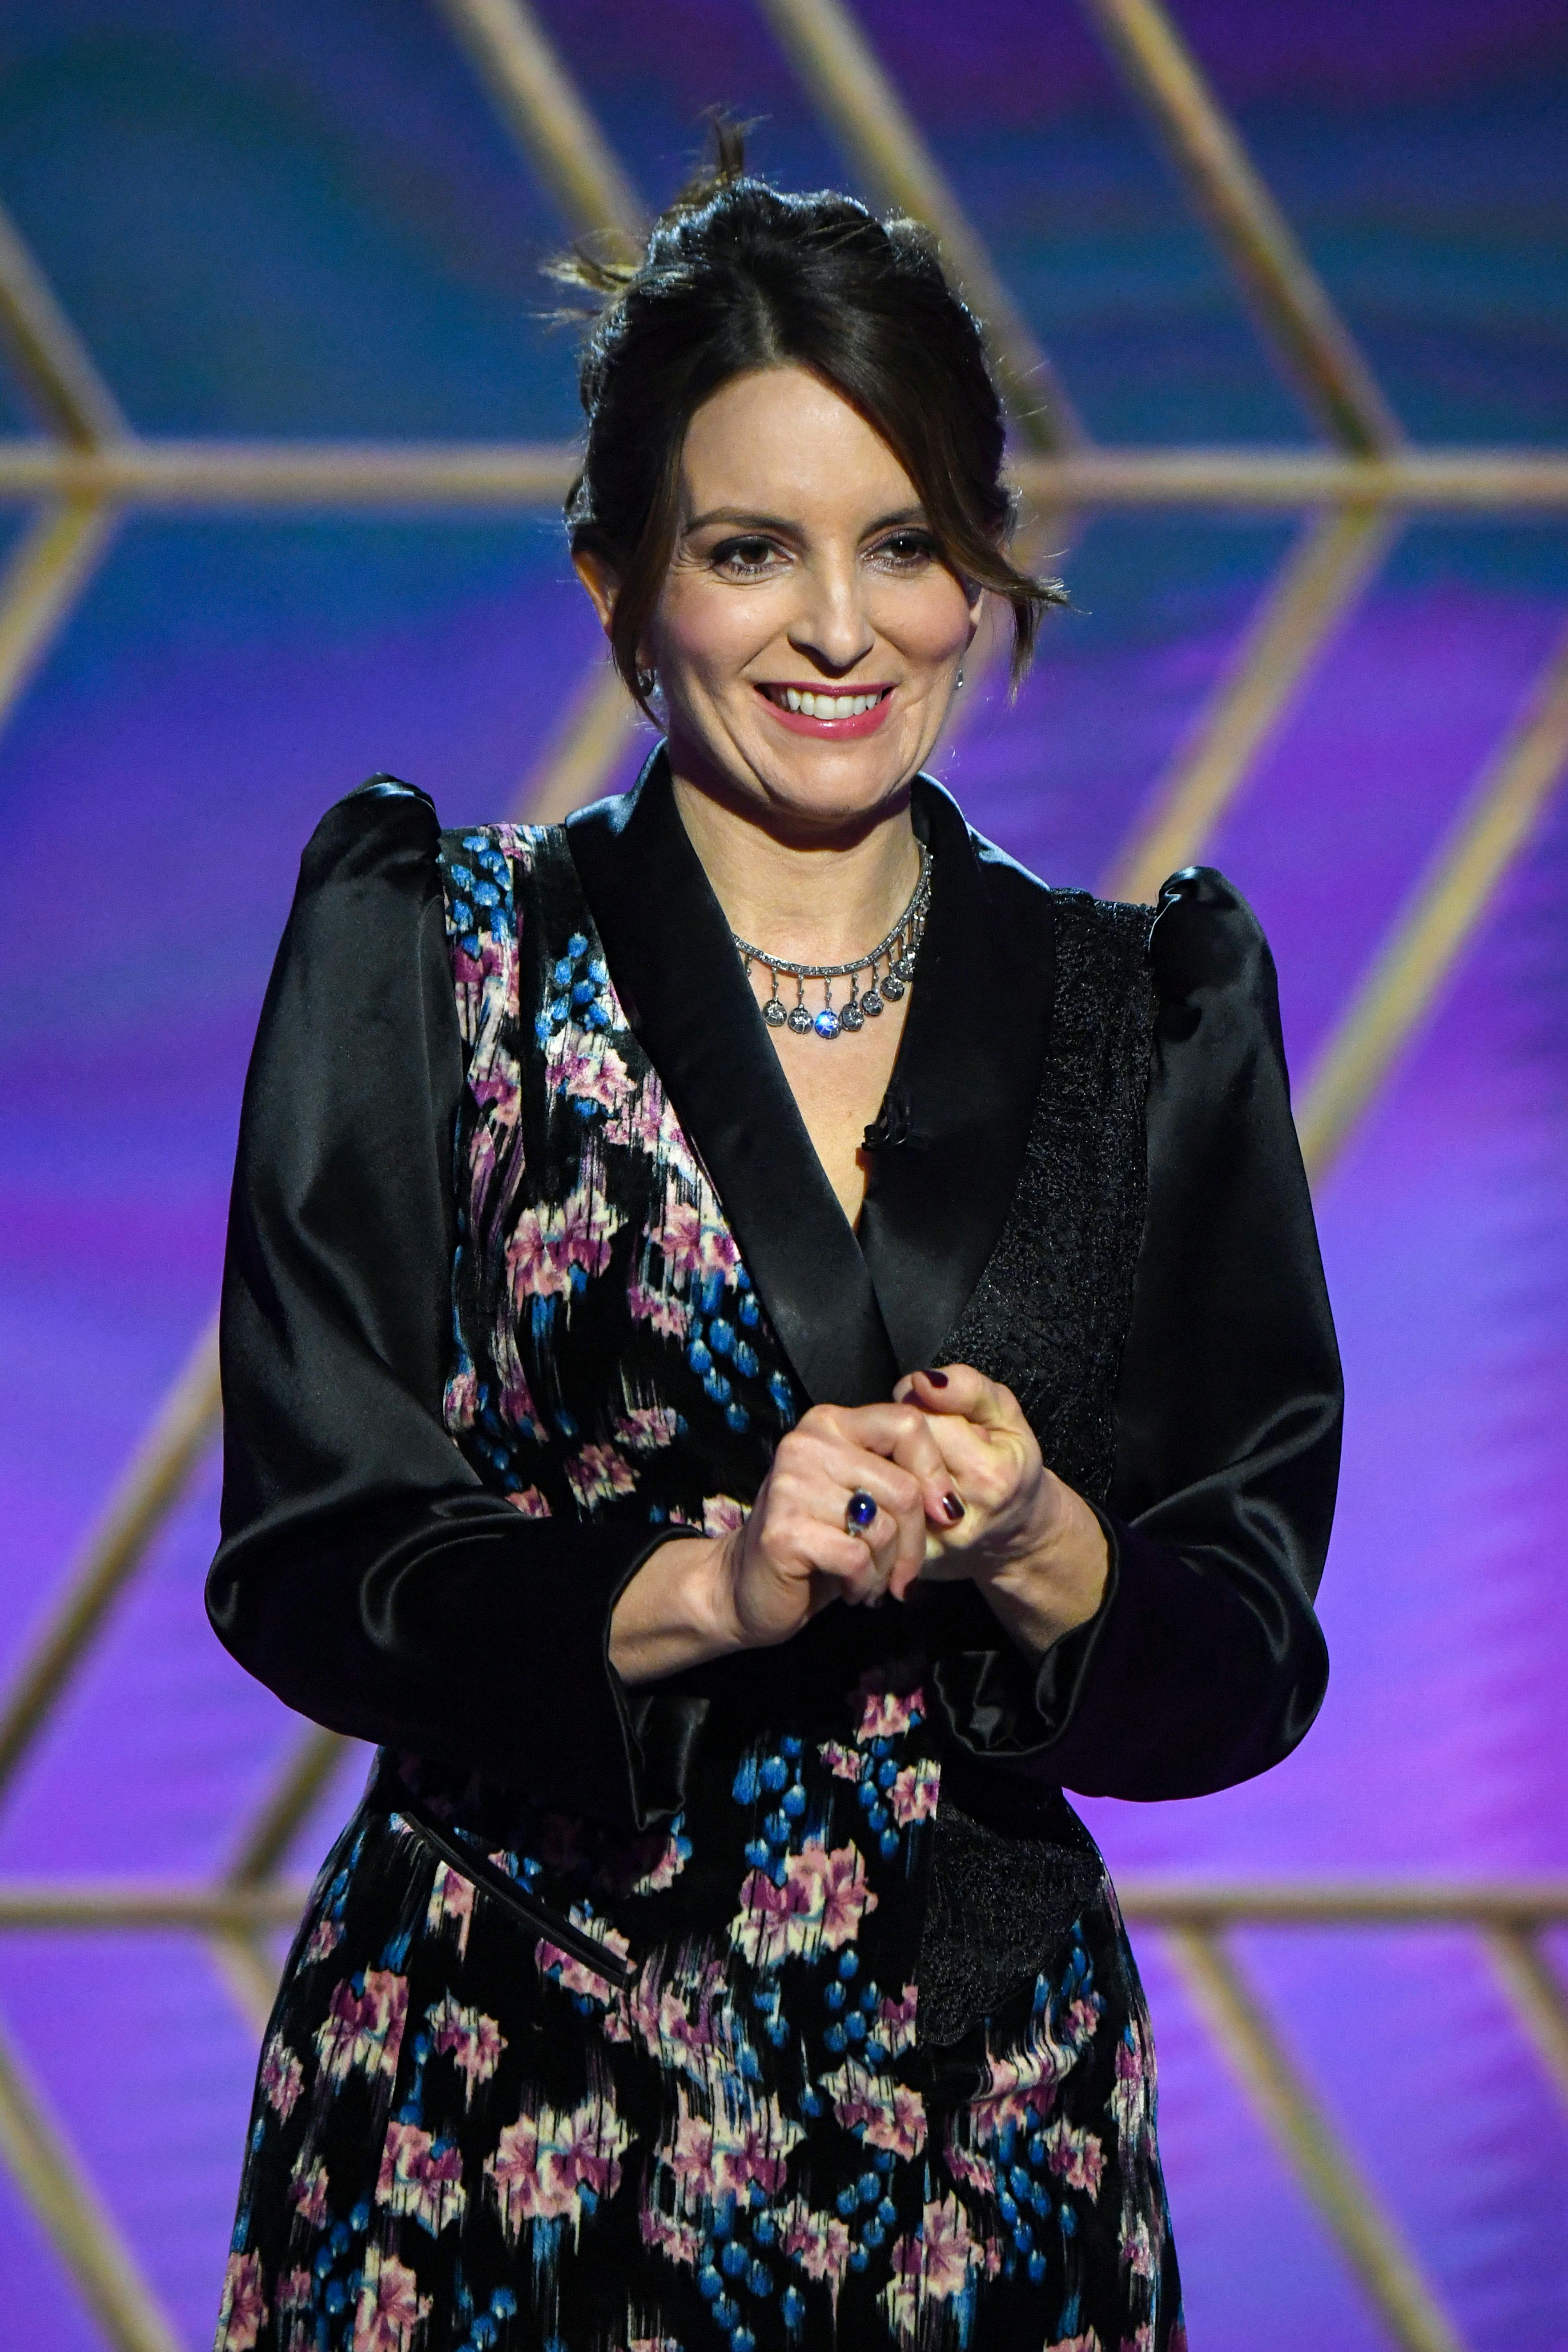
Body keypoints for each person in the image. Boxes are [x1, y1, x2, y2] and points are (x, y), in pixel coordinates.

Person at [209, 136, 1339, 2352]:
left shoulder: (1150, 1008)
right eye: (751, 550)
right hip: (501, 2082)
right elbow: (313, 1551)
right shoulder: (441, 954)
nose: (842, 628)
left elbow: (1250, 1651)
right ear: (614, 584)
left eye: (907, 544)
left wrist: (1043, 1548)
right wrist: (703, 1588)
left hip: (979, 2136)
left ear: (984, 567)